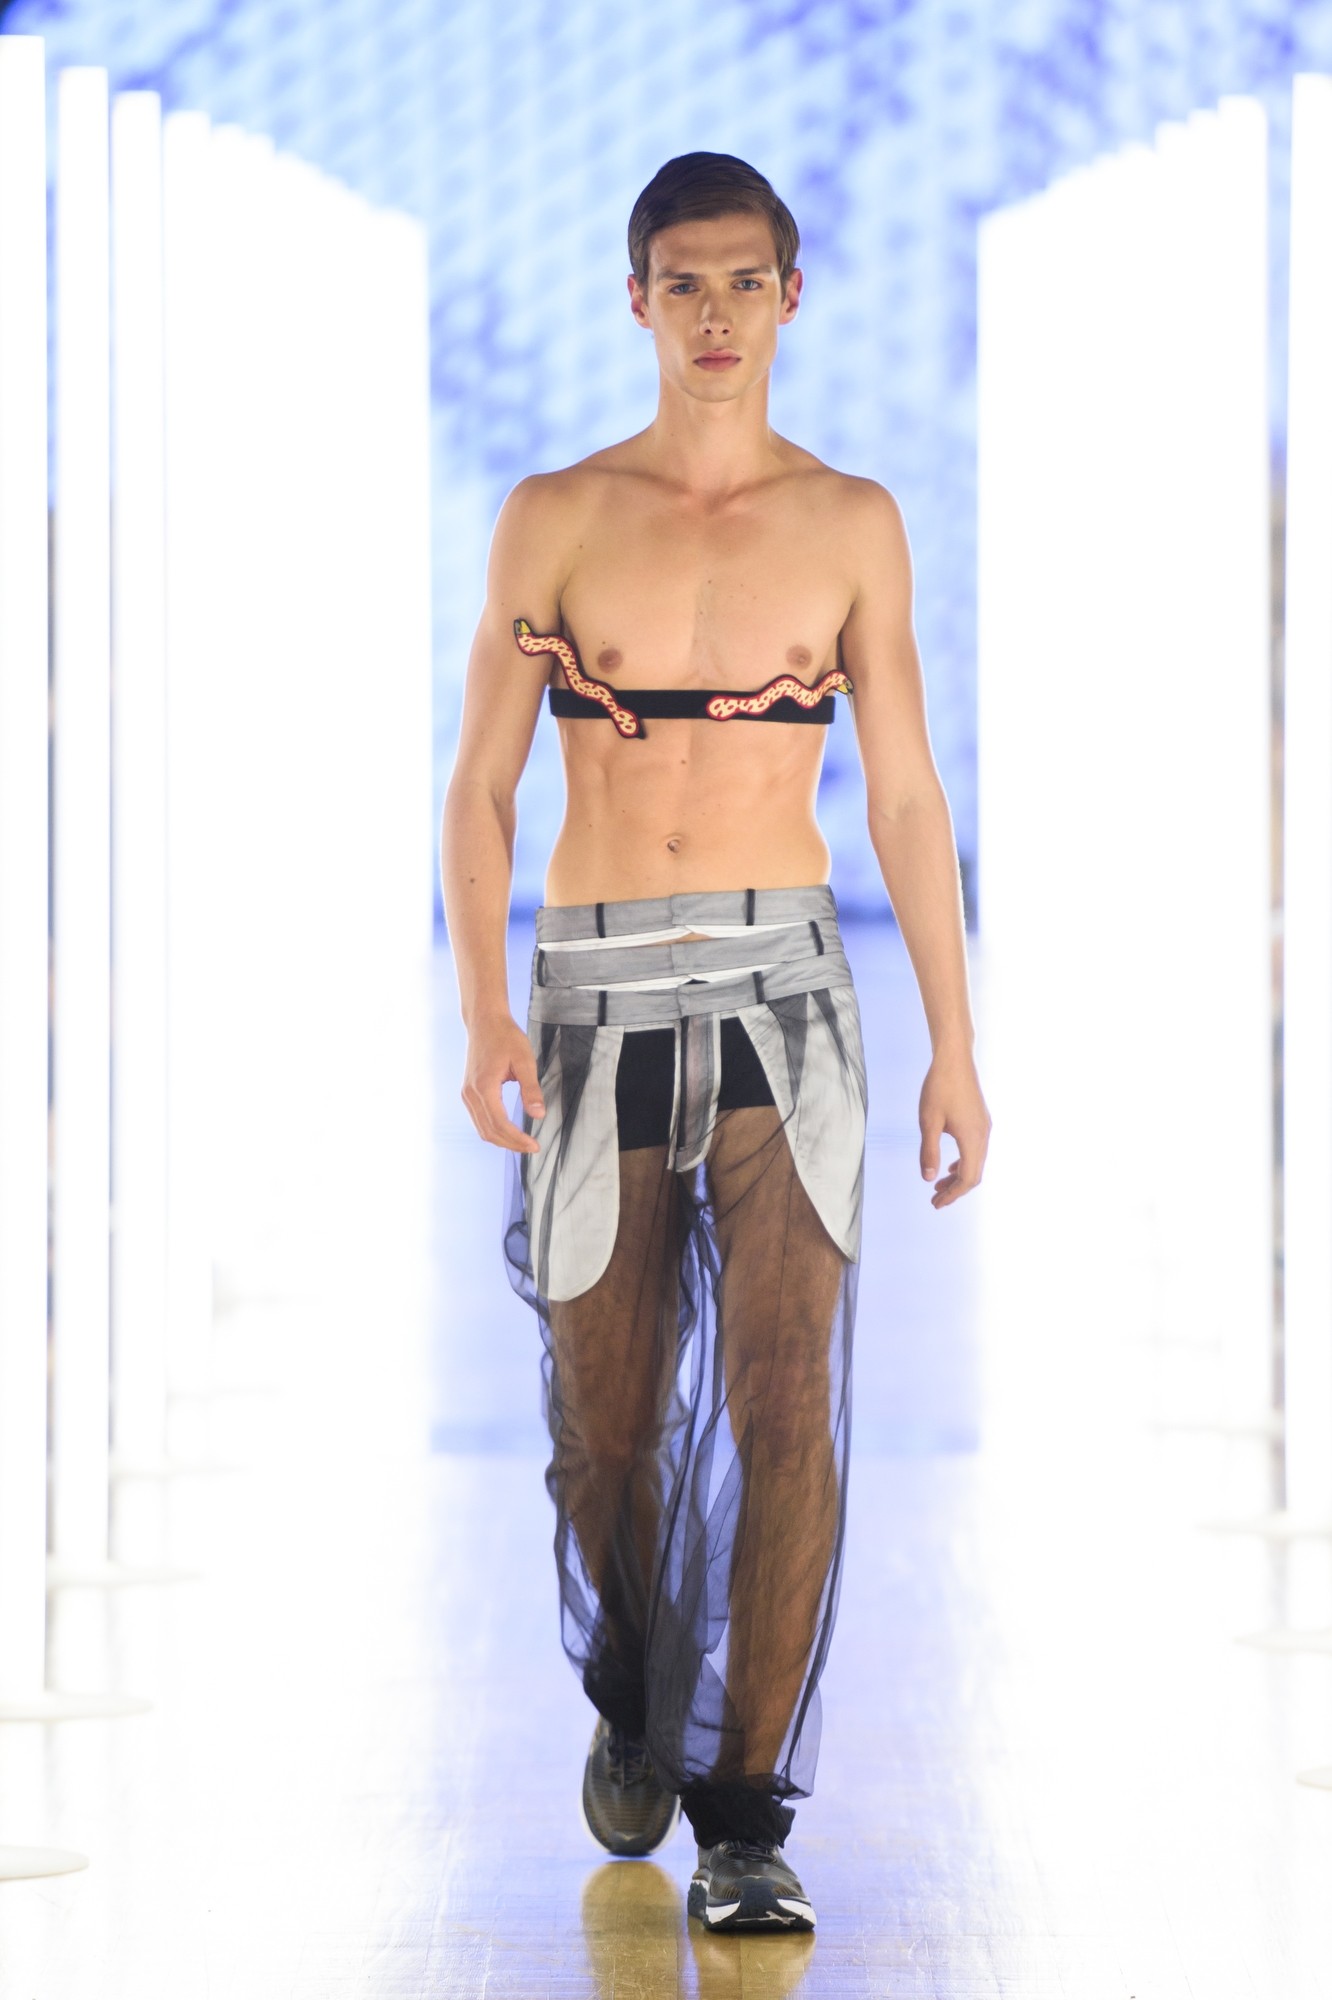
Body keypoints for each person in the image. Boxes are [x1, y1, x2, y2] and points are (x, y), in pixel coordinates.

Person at [439, 151, 990, 1936]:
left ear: (792, 297)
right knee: (602, 1425)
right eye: (684, 284)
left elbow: (904, 793)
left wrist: (956, 1043)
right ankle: (630, 1692)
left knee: (785, 1399)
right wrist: (480, 1007)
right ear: (637, 301)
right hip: (594, 992)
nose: (717, 315)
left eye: (746, 282)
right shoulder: (555, 516)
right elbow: (481, 785)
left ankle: (747, 1814)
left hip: (786, 994)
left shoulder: (851, 523)